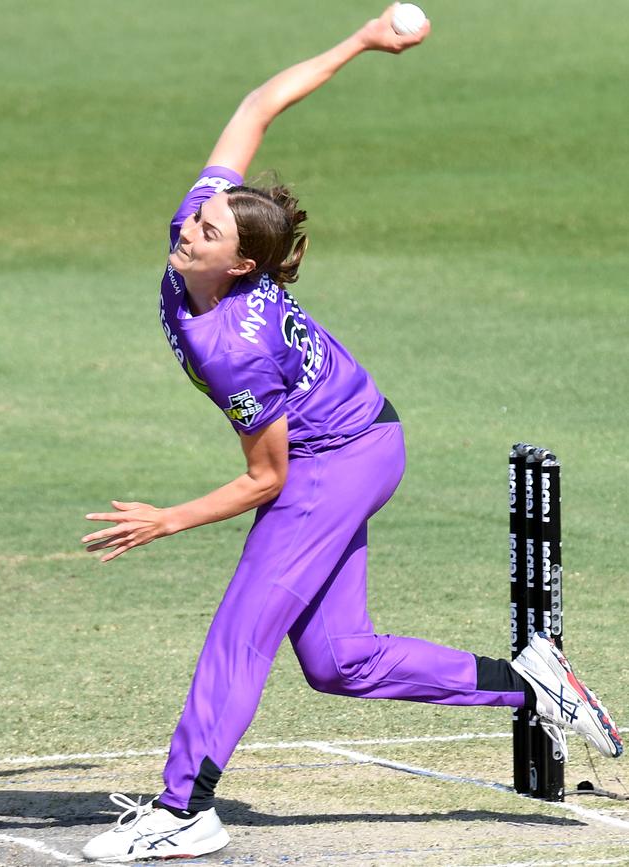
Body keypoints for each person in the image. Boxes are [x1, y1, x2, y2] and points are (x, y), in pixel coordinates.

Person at [81, 5, 622, 862]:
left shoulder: (236, 348)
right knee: (338, 659)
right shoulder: (205, 230)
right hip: (362, 436)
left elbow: (267, 478)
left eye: (208, 230)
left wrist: (168, 518)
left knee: (243, 628)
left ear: (243, 265)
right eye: (196, 218)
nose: (187, 227)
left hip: (340, 456)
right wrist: (364, 41)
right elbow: (259, 103)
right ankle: (530, 685)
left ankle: (185, 806)